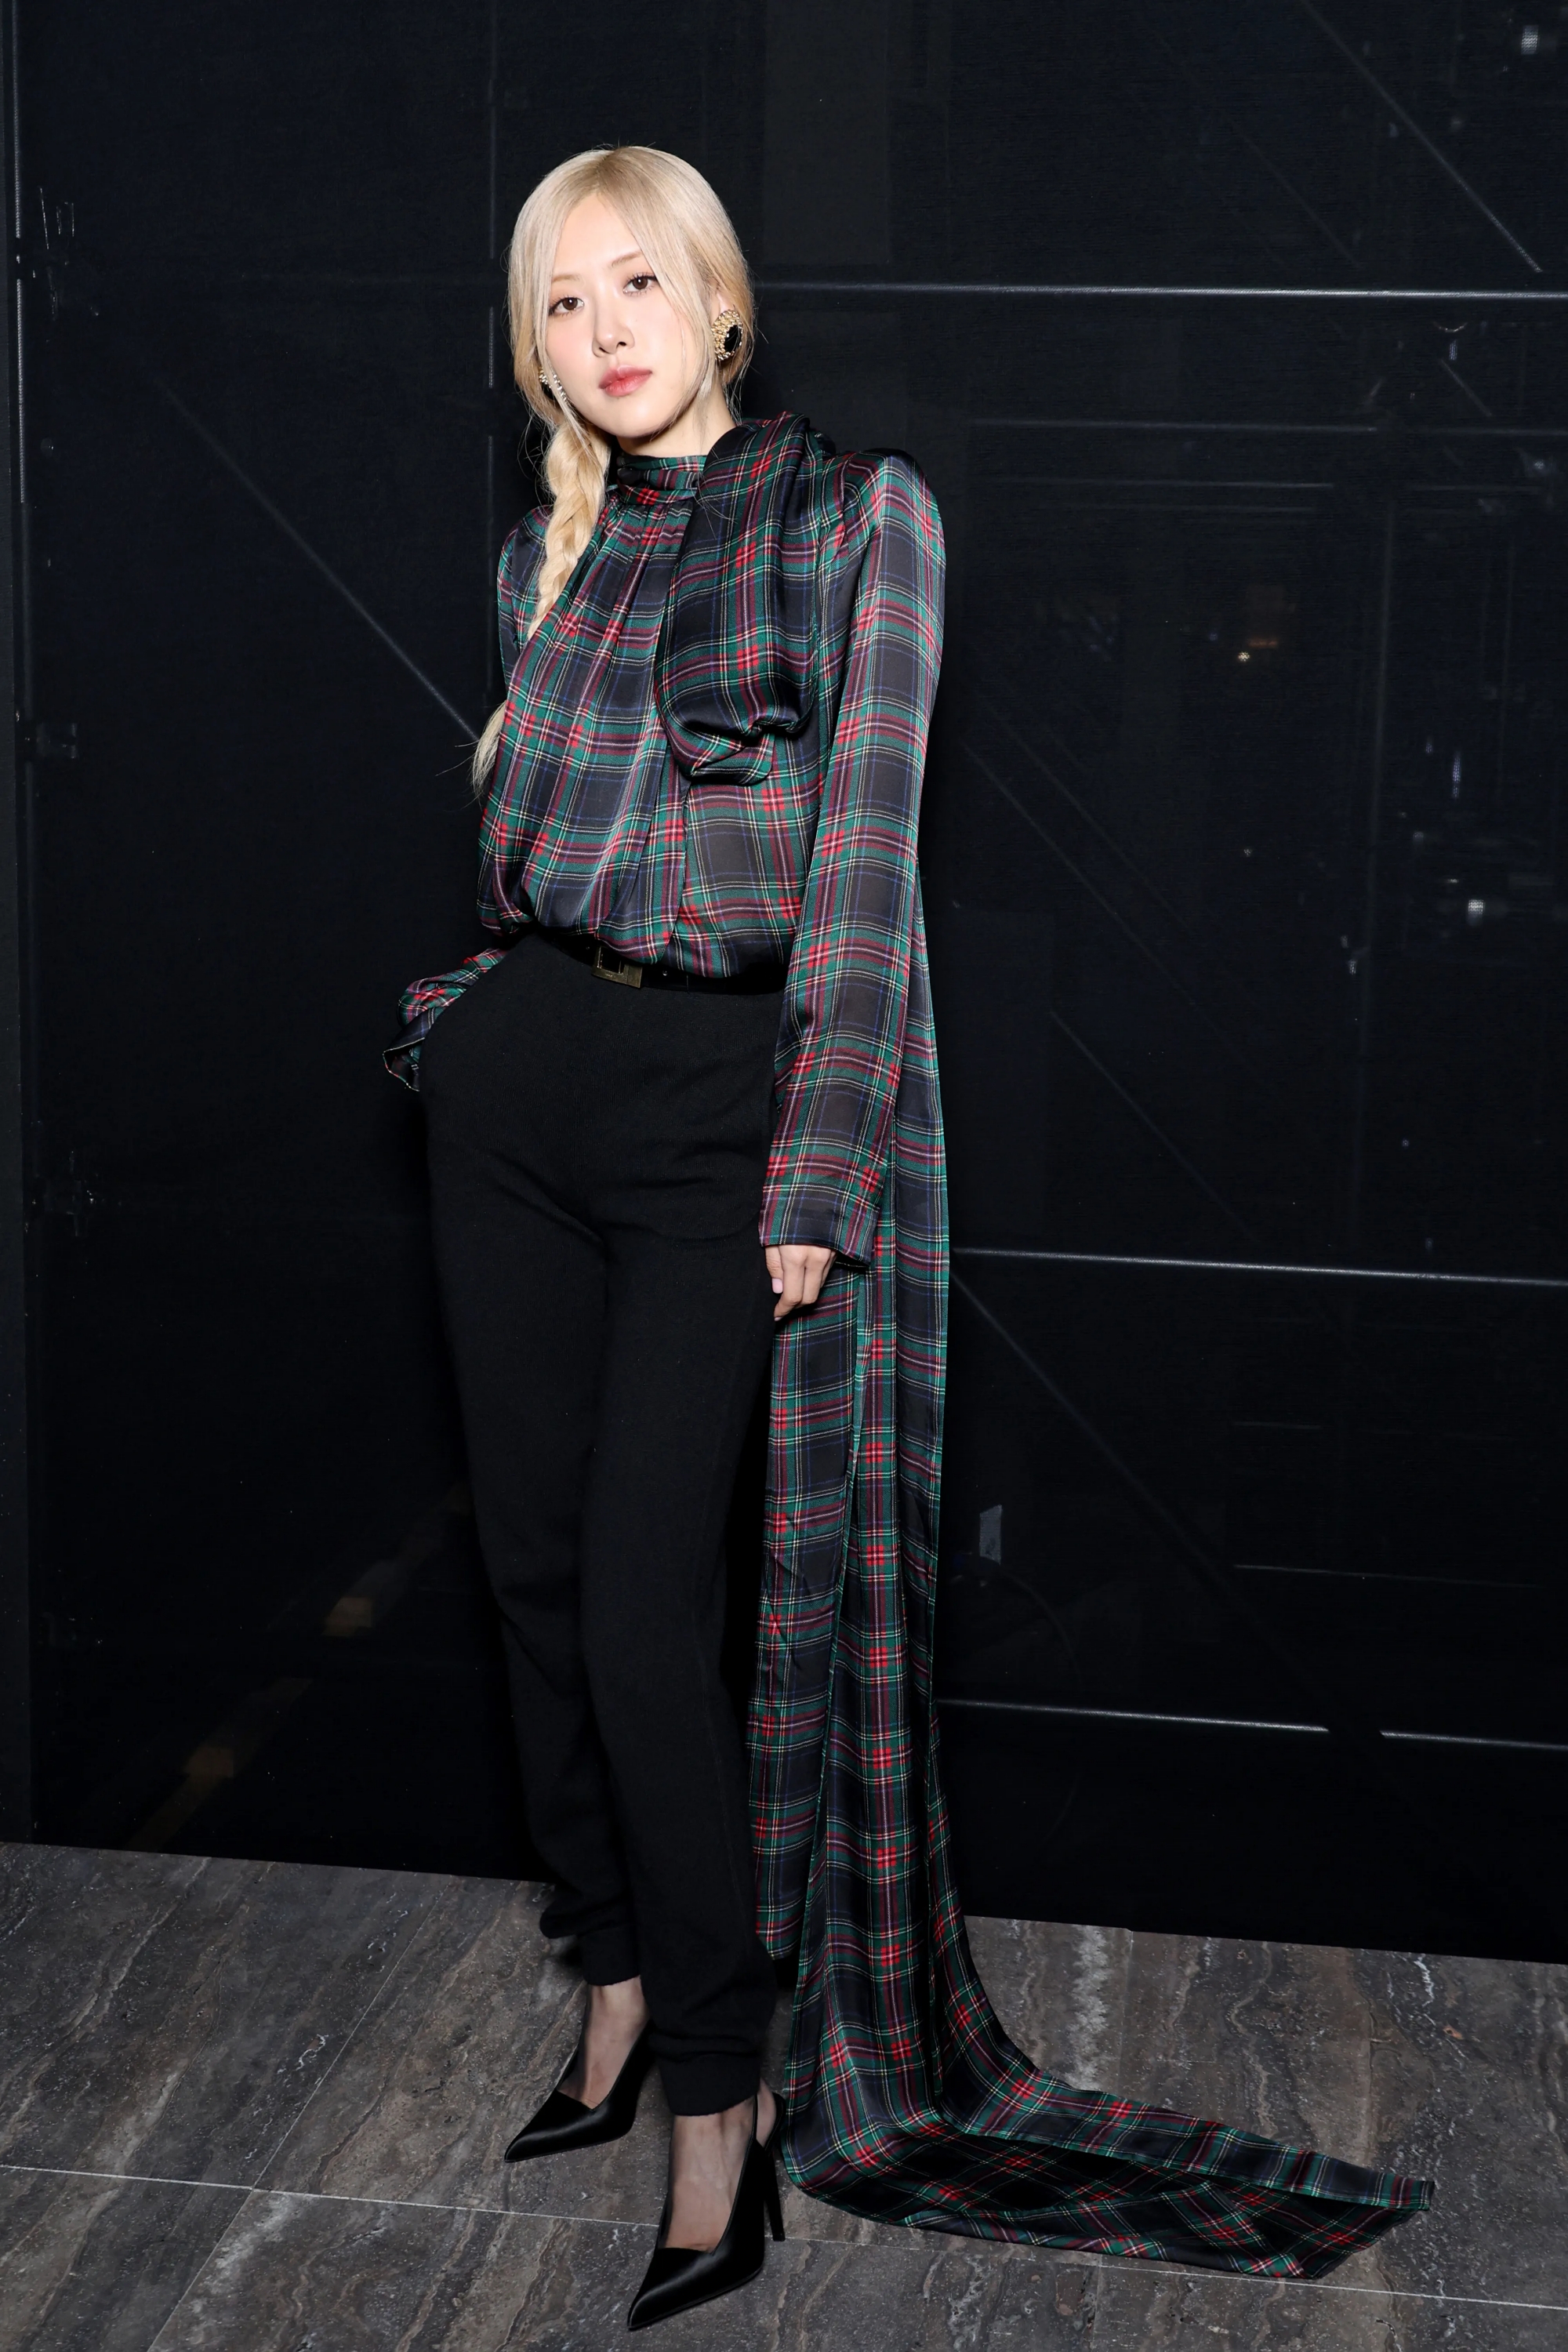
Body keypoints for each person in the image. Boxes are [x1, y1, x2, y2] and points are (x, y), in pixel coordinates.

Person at [387, 144, 1429, 2332]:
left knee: (651, 1613)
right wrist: (467, 1025)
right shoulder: (536, 558)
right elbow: (538, 851)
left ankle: (720, 2097)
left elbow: (864, 870)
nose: (606, 330)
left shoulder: (862, 519)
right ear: (537, 353)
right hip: (516, 1097)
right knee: (535, 1579)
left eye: (640, 282)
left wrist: (818, 1171)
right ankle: (609, 1972)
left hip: (719, 1112)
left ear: (722, 302)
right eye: (563, 301)